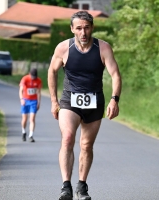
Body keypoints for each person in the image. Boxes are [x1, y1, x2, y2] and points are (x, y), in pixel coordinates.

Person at [48, 11, 122, 200]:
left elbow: (115, 74)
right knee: (68, 138)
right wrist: (54, 101)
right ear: (72, 29)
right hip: (69, 100)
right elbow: (52, 72)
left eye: (87, 27)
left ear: (92, 28)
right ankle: (66, 187)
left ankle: (81, 186)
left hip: (94, 102)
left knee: (86, 145)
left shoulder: (103, 48)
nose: (83, 32)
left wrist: (115, 99)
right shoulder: (63, 48)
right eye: (79, 28)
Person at [19, 68, 42, 142]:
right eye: (32, 76)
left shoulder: (38, 80)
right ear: (29, 74)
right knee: (24, 119)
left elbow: (38, 92)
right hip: (25, 100)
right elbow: (21, 90)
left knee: (32, 119)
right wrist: (22, 99)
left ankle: (31, 135)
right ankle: (23, 131)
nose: (33, 78)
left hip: (33, 101)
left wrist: (38, 102)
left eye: (34, 76)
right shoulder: (25, 79)